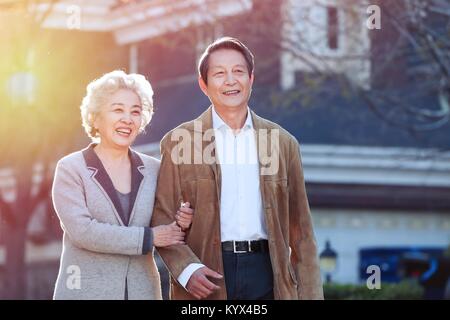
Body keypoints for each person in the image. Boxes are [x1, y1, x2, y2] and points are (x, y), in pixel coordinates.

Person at [151, 37, 323, 300]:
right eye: (219, 74)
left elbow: (302, 234)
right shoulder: (178, 142)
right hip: (206, 275)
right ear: (203, 84)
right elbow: (162, 216)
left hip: (270, 274)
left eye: (238, 71)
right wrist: (187, 270)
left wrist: (310, 295)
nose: (230, 80)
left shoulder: (282, 143)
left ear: (251, 79)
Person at [52, 70, 193, 300]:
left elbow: (167, 228)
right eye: (118, 109)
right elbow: (83, 232)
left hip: (143, 292)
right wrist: (149, 238)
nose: (128, 119)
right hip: (84, 292)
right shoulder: (71, 168)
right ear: (96, 118)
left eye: (135, 112)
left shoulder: (155, 169)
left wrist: (182, 221)